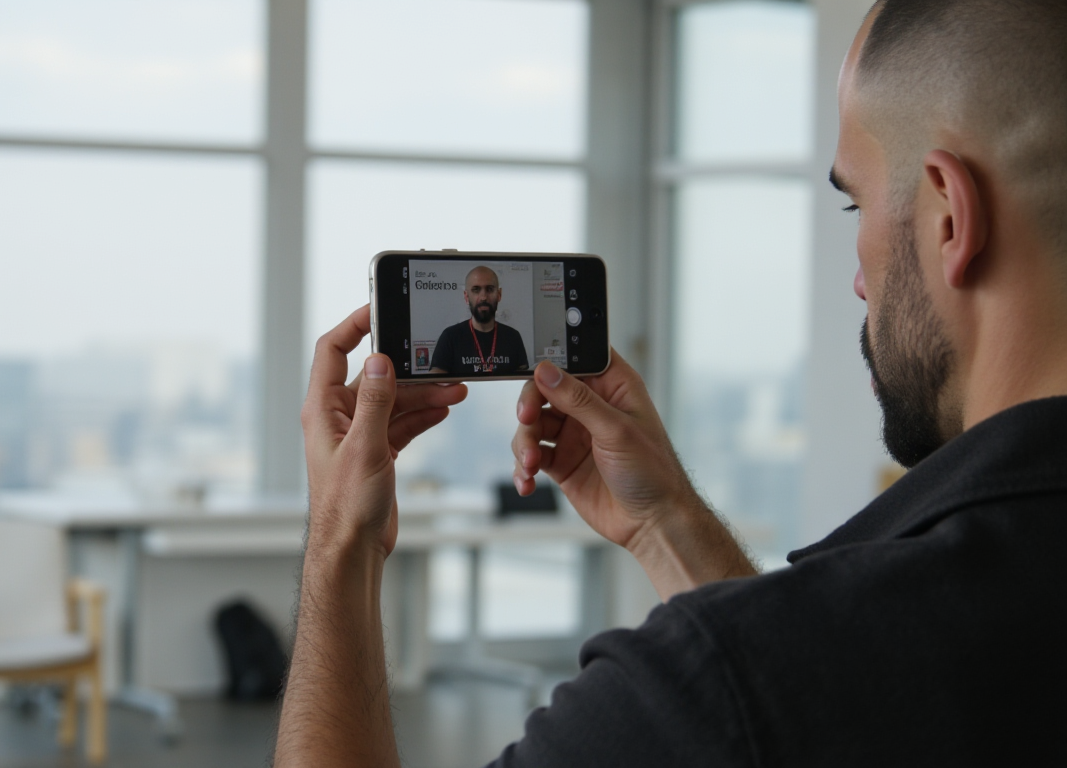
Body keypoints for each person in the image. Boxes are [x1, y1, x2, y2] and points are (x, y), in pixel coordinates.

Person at [276, 0, 1067, 765]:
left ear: (951, 218)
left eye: (853, 204)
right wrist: (665, 526)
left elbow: (783, 691)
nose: (859, 281)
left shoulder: (702, 688)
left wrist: (340, 542)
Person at [428, 266, 530, 375]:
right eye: (476, 290)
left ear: (499, 294)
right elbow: (436, 379)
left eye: (490, 289)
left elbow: (522, 380)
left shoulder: (513, 337)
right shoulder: (450, 337)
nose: (483, 297)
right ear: (466, 297)